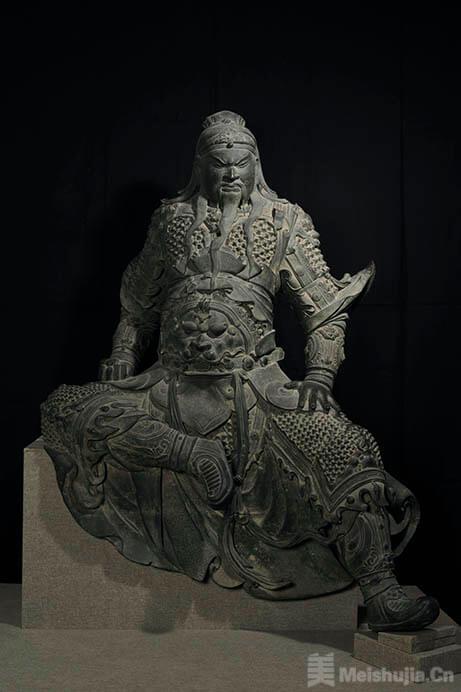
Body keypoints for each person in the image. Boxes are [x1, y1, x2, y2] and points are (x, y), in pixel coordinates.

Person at [41, 110, 439, 632]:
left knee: (347, 445)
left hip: (255, 388)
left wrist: (319, 377)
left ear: (257, 164)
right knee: (64, 408)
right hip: (167, 385)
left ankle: (381, 590)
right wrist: (122, 351)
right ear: (199, 166)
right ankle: (186, 453)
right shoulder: (170, 221)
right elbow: (138, 301)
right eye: (219, 161)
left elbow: (325, 311)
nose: (230, 172)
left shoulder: (285, 221)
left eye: (241, 162)